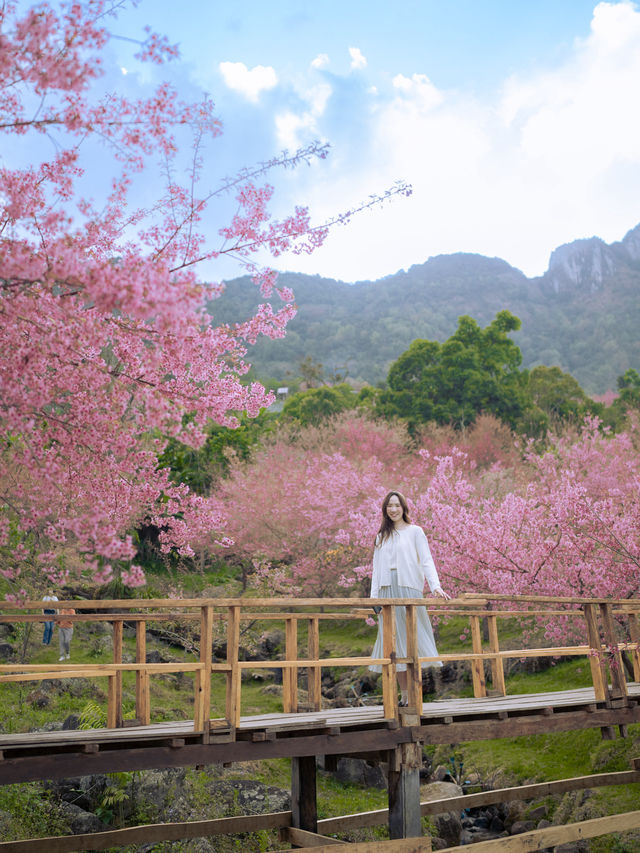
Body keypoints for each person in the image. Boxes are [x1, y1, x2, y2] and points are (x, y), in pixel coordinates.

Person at [369, 490, 450, 706]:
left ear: (404, 507)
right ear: (385, 510)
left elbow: (426, 560)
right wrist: (373, 598)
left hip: (408, 588)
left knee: (411, 640)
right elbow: (376, 569)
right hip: (386, 590)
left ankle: (413, 694)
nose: (393, 509)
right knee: (392, 644)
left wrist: (435, 587)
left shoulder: (415, 532)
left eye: (396, 505)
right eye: (389, 506)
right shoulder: (381, 536)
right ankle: (402, 694)